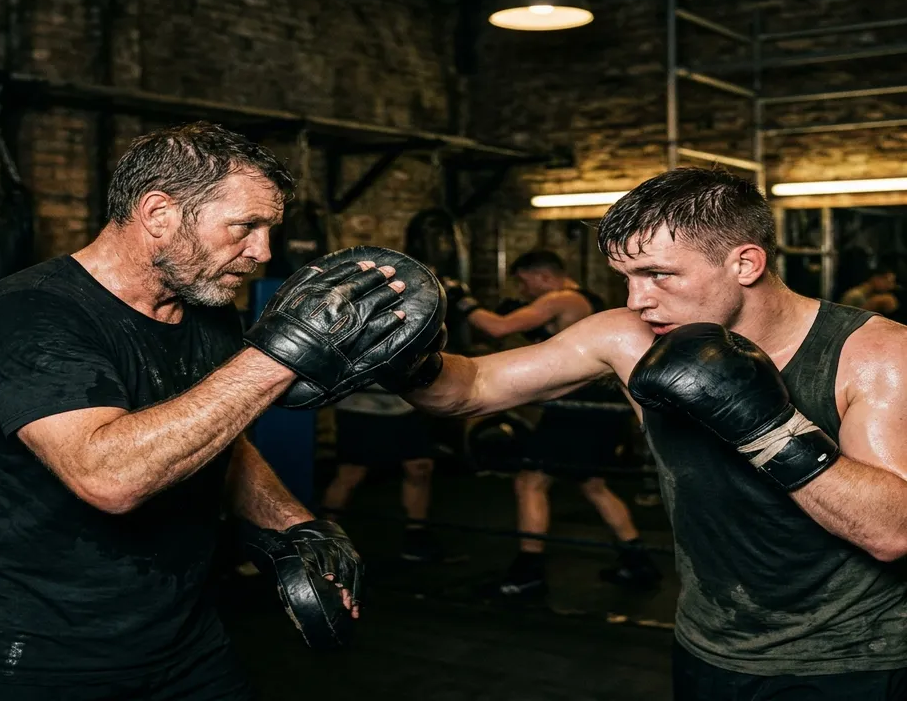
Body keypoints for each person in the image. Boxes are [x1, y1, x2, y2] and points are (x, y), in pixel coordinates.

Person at [0, 122, 426, 700]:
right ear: (159, 213)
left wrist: (293, 524)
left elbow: (217, 441)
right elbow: (108, 475)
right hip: (31, 654)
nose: (261, 253)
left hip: (182, 642)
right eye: (245, 227)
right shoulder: (27, 315)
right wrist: (283, 353)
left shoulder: (209, 312)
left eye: (268, 230)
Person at [394, 167, 907, 700]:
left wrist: (767, 426)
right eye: (627, 277)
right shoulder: (628, 336)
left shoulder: (873, 355)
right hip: (706, 647)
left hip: (851, 661)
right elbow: (470, 387)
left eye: (658, 274)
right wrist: (405, 359)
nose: (638, 299)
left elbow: (893, 532)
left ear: (746, 263)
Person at [444, 250, 660, 595]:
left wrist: (461, 300)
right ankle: (638, 562)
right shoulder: (586, 299)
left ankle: (529, 568)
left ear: (543, 276)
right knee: (593, 484)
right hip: (595, 405)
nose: (524, 289)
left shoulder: (561, 299)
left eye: (524, 281)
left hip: (576, 409)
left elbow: (497, 328)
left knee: (530, 482)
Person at [322, 386, 446, 562]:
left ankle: (416, 535)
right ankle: (324, 538)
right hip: (359, 407)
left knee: (420, 468)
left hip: (407, 404)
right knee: (351, 474)